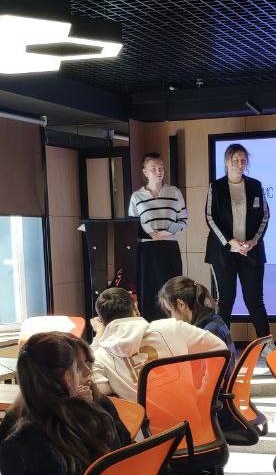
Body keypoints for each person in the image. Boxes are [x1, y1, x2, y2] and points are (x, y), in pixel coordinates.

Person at [0, 332, 131, 475]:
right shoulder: (100, 417)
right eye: (78, 367)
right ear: (67, 377)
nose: (86, 372)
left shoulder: (18, 444)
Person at [89, 286, 227, 401]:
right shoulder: (172, 327)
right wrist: (206, 391)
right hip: (193, 421)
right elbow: (220, 349)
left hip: (147, 426)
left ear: (103, 321)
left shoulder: (101, 356)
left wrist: (99, 335)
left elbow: (98, 390)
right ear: (136, 308)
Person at [205, 143, 271, 341]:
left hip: (251, 251)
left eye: (243, 160)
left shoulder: (255, 185)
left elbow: (265, 216)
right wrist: (230, 242)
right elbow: (210, 218)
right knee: (225, 300)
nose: (240, 164)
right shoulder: (216, 187)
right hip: (223, 252)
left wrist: (253, 242)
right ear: (227, 162)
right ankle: (221, 346)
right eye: (236, 160)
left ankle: (266, 346)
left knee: (254, 300)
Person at [130, 151, 188, 319]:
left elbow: (183, 220)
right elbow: (131, 225)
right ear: (145, 172)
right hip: (146, 249)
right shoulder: (137, 196)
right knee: (147, 291)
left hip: (169, 247)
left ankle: (173, 326)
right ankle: (149, 328)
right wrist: (149, 234)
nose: (158, 171)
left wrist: (167, 231)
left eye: (161, 167)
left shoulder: (174, 192)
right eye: (153, 168)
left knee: (172, 291)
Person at [158, 275, 236, 374]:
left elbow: (207, 376)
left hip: (214, 383)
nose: (171, 317)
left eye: (170, 311)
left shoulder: (207, 333)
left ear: (181, 304)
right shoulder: (213, 319)